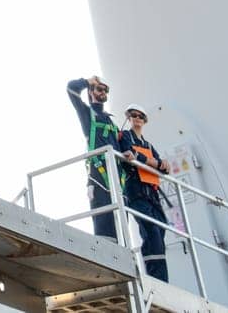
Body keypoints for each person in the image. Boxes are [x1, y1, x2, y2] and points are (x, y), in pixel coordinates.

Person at [115, 103, 171, 282]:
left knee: (160, 231)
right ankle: (157, 280)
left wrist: (153, 162)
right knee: (150, 232)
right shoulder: (125, 136)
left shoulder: (148, 144)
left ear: (144, 120)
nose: (137, 118)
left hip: (152, 194)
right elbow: (129, 154)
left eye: (140, 116)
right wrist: (152, 161)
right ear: (129, 118)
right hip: (137, 192)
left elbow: (163, 168)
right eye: (134, 115)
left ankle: (161, 280)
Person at [65, 76, 119, 238]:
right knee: (104, 223)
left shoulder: (111, 122)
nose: (103, 92)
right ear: (91, 92)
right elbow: (71, 88)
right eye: (99, 89)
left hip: (117, 179)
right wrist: (88, 82)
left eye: (105, 90)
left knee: (121, 224)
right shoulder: (87, 113)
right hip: (98, 175)